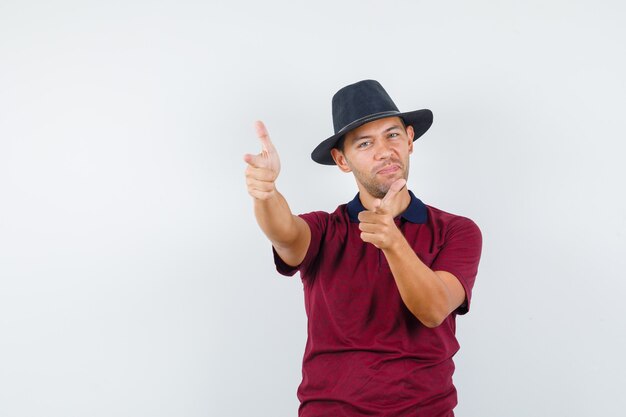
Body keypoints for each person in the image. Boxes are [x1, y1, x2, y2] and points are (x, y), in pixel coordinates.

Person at [243, 80, 482, 417]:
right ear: (342, 159)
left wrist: (392, 241)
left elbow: (433, 309)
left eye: (393, 135)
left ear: (410, 139)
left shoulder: (456, 231)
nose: (384, 150)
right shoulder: (325, 231)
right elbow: (285, 233)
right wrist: (266, 195)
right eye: (366, 143)